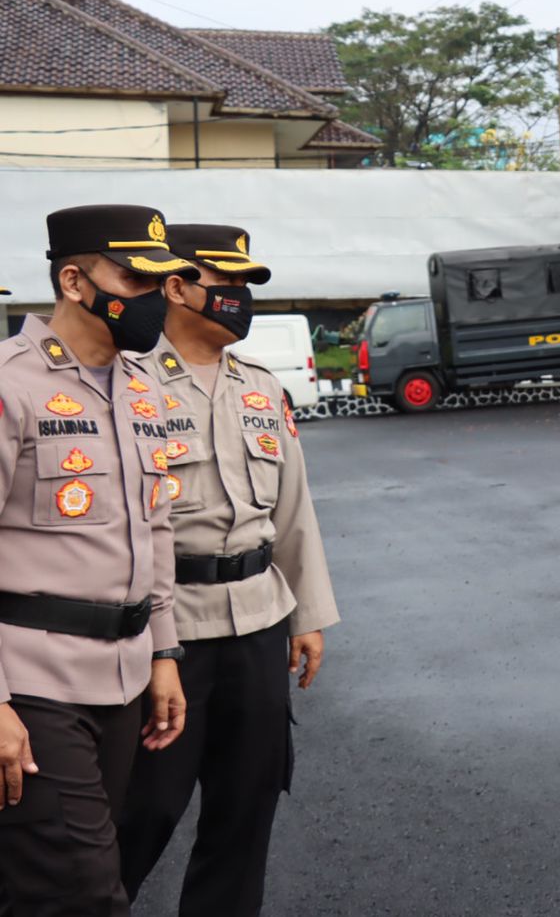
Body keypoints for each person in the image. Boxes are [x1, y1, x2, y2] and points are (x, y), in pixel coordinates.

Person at [117, 225, 341, 916]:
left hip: (257, 622)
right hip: (168, 632)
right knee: (144, 809)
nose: (240, 301)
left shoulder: (262, 389)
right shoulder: (127, 386)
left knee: (246, 810)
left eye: (247, 289)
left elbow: (294, 510)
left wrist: (308, 616)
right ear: (177, 287)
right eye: (228, 286)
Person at [0, 204, 192, 915]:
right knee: (81, 894)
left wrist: (165, 652)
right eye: (136, 279)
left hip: (124, 679)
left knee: (47, 882)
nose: (154, 298)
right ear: (75, 281)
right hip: (32, 682)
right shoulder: (11, 383)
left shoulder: (144, 389)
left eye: (163, 280)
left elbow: (157, 527)